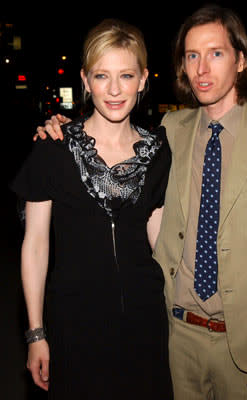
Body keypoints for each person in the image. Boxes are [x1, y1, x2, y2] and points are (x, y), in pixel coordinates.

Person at [39, 4, 247, 400]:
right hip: (175, 340)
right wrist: (62, 128)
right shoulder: (169, 133)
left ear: (241, 60)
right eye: (192, 55)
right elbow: (112, 139)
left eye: (216, 53)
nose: (202, 69)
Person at [11, 19, 173, 399]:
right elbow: (35, 245)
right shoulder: (53, 147)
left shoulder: (159, 151)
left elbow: (161, 243)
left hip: (145, 325)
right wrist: (36, 333)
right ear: (85, 81)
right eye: (102, 76)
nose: (114, 90)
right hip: (74, 327)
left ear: (143, 79)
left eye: (126, 75)